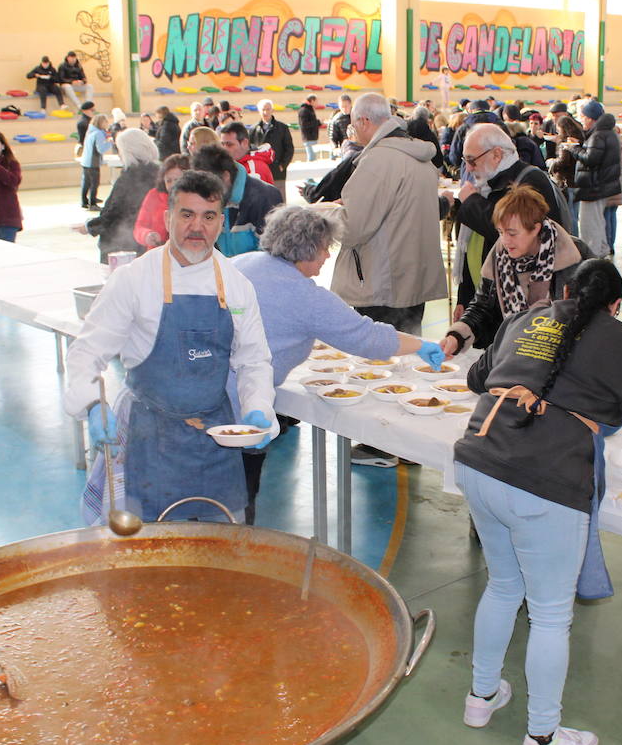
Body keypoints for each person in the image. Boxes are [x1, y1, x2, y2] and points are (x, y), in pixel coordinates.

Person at [453, 258, 622, 745]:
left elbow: (476, 377)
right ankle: (543, 738)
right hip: (544, 482)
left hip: (479, 460)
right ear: (616, 305)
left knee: (504, 586)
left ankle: (481, 698)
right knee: (551, 613)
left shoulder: (526, 318)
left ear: (565, 292)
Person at [65, 170, 277, 522]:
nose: (198, 227)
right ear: (167, 218)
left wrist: (258, 409)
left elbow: (254, 360)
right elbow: (86, 352)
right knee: (147, 556)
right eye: (187, 214)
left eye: (209, 216)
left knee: (219, 551)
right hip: (148, 440)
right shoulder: (133, 280)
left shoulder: (236, 284)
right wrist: (91, 404)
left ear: (221, 222)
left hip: (216, 439)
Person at [232, 205, 445, 520]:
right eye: (324, 249)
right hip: (239, 406)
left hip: (202, 392)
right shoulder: (305, 296)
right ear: (305, 250)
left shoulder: (240, 262)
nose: (328, 257)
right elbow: (366, 337)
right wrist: (421, 345)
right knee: (237, 496)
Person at [333, 93, 446, 335]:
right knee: (409, 354)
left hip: (383, 285)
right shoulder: (420, 157)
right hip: (415, 280)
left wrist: (330, 214)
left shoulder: (377, 161)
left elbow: (353, 229)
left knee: (379, 364)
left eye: (353, 126)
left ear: (364, 121)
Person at [442, 183, 587, 356]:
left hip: (563, 361)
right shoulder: (499, 257)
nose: (505, 241)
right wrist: (456, 336)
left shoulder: (576, 256)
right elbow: (481, 307)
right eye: (500, 232)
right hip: (512, 355)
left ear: (535, 229)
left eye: (512, 233)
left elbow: (591, 317)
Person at [448, 124, 570, 316]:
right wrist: (466, 298)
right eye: (465, 161)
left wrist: (472, 203)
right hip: (486, 299)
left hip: (519, 303)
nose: (469, 169)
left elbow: (513, 236)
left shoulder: (530, 182)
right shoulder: (485, 184)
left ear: (497, 154)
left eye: (472, 161)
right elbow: (471, 245)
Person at [190, 145, 280, 257]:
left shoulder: (264, 198)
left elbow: (273, 257)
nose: (204, 192)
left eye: (207, 184)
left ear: (226, 176)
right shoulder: (211, 198)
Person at [85, 127, 159, 262]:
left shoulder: (130, 177)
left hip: (122, 245)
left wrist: (90, 226)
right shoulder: (158, 172)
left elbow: (115, 212)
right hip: (146, 241)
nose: (119, 154)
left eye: (119, 150)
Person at [566, 100, 621, 258]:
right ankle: (602, 251)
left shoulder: (598, 135)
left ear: (590, 118)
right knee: (598, 222)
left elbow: (591, 159)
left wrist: (573, 149)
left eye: (582, 117)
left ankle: (592, 257)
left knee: (590, 226)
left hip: (593, 187)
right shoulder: (606, 132)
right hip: (600, 186)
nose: (581, 120)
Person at [133, 154, 189, 249]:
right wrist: (147, 235)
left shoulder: (196, 199)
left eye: (177, 180)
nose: (173, 185)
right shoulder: (154, 195)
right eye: (168, 181)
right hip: (157, 255)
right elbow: (139, 227)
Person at [249, 99, 294, 198]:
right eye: (263, 110)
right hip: (261, 171)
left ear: (272, 110)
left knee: (279, 198)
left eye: (268, 109)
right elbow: (250, 149)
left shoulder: (282, 128)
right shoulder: (253, 129)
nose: (265, 112)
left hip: (277, 171)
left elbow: (289, 148)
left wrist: (283, 165)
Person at [79, 113, 112, 210]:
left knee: (86, 182)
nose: (107, 124)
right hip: (93, 162)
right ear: (101, 122)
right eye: (106, 122)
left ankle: (84, 201)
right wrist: (109, 142)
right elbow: (101, 149)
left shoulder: (91, 131)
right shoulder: (98, 134)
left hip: (85, 161)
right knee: (95, 183)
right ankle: (92, 204)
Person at [297, 94, 324, 161]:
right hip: (309, 138)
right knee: (311, 158)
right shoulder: (304, 110)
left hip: (312, 137)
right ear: (312, 101)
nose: (317, 103)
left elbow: (311, 122)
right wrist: (317, 122)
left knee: (313, 157)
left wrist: (318, 122)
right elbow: (304, 124)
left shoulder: (309, 109)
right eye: (316, 101)